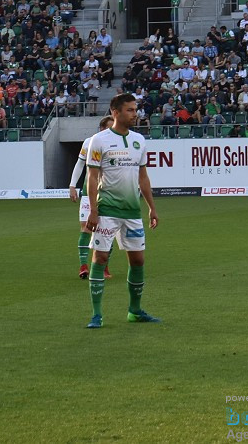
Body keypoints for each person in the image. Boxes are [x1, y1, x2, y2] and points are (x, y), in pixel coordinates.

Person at [84, 92, 160, 328]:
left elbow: (143, 177)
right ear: (115, 112)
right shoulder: (99, 140)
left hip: (132, 212)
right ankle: (97, 314)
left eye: (135, 110)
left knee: (138, 261)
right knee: (100, 257)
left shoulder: (139, 140)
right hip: (107, 211)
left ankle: (135, 311)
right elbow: (92, 176)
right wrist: (93, 210)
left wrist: (151, 208)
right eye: (130, 110)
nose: (134, 114)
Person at [70, 115, 114, 280]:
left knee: (106, 230)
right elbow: (80, 163)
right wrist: (72, 185)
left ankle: (104, 266)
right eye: (110, 128)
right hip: (89, 193)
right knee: (86, 228)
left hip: (109, 193)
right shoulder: (89, 142)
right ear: (102, 129)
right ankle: (83, 265)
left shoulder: (118, 143)